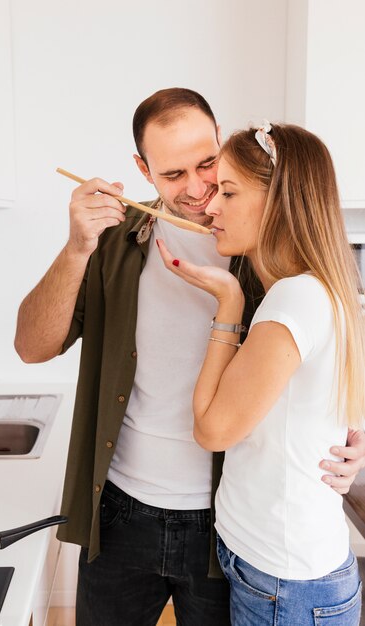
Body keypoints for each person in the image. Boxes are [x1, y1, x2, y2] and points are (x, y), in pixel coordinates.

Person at [14, 90, 365, 626]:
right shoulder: (113, 242)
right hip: (121, 514)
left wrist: (343, 434)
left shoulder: (263, 252)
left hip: (224, 526)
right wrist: (76, 248)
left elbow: (324, 351)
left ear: (221, 139)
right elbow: (31, 346)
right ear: (143, 170)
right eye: (174, 174)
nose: (200, 190)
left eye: (208, 164)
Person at [157, 121, 365, 625]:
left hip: (284, 583)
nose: (210, 207)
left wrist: (228, 301)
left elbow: (212, 428)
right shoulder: (319, 289)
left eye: (228, 192)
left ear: (280, 201)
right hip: (280, 570)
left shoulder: (294, 298)